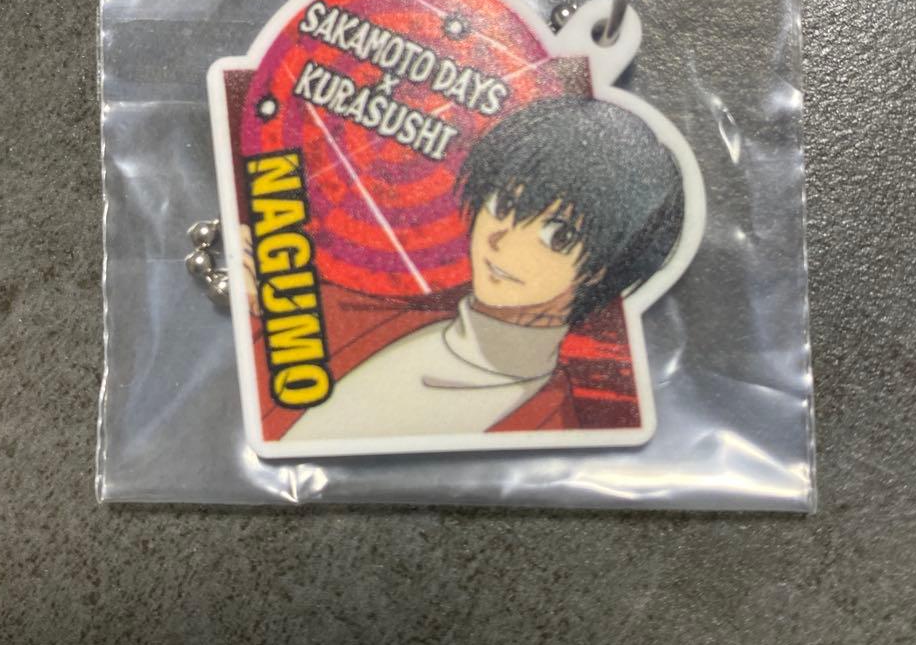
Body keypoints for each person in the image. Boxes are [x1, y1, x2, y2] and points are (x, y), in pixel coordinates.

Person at [276, 96, 685, 441]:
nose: (501, 239)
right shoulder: (369, 315)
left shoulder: (550, 424)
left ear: (602, 268)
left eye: (557, 235)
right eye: (503, 205)